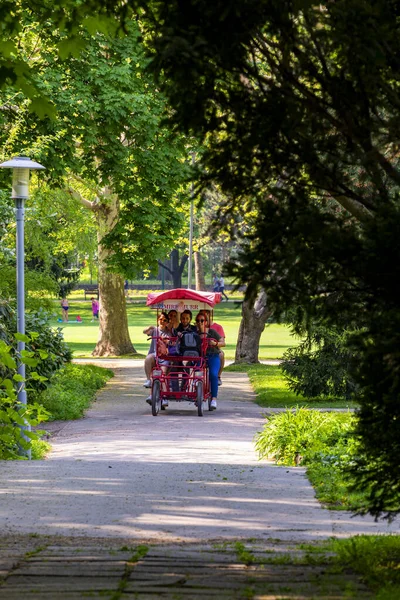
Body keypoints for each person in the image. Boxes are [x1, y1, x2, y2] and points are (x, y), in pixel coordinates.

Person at [195, 312, 225, 410]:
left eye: (202, 320)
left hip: (213, 355)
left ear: (206, 322)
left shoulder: (211, 332)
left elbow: (223, 343)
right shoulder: (195, 333)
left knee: (213, 374)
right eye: (198, 321)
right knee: (196, 373)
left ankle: (214, 399)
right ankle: (198, 394)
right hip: (200, 357)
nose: (200, 323)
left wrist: (215, 343)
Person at [143, 312, 171, 406]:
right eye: (160, 319)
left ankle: (165, 397)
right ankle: (148, 380)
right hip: (154, 354)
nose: (162, 322)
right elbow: (145, 332)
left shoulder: (169, 331)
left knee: (163, 374)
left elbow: (172, 343)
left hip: (164, 356)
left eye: (165, 320)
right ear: (158, 320)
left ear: (167, 322)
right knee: (148, 359)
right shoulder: (155, 330)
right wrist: (149, 327)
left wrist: (167, 340)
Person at [199, 309, 226, 386]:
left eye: (207, 313)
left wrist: (215, 343)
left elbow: (222, 342)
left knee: (221, 354)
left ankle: (218, 376)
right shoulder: (198, 326)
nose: (205, 314)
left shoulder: (217, 327)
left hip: (214, 349)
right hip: (202, 350)